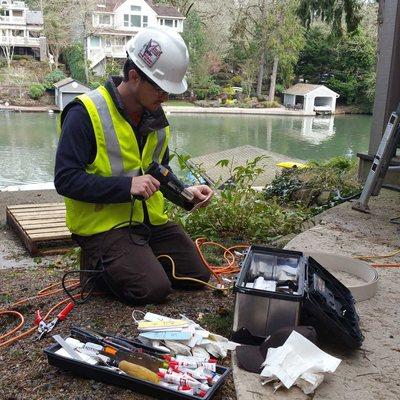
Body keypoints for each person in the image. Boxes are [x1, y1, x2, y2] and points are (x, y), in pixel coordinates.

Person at [54, 26, 213, 305]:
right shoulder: (85, 113)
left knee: (197, 275)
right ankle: (97, 270)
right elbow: (66, 180)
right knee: (152, 290)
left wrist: (186, 193)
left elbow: (157, 173)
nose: (165, 96)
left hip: (147, 223)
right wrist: (127, 186)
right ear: (134, 76)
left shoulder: (156, 118)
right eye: (160, 88)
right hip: (103, 227)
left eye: (169, 90)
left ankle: (135, 259)